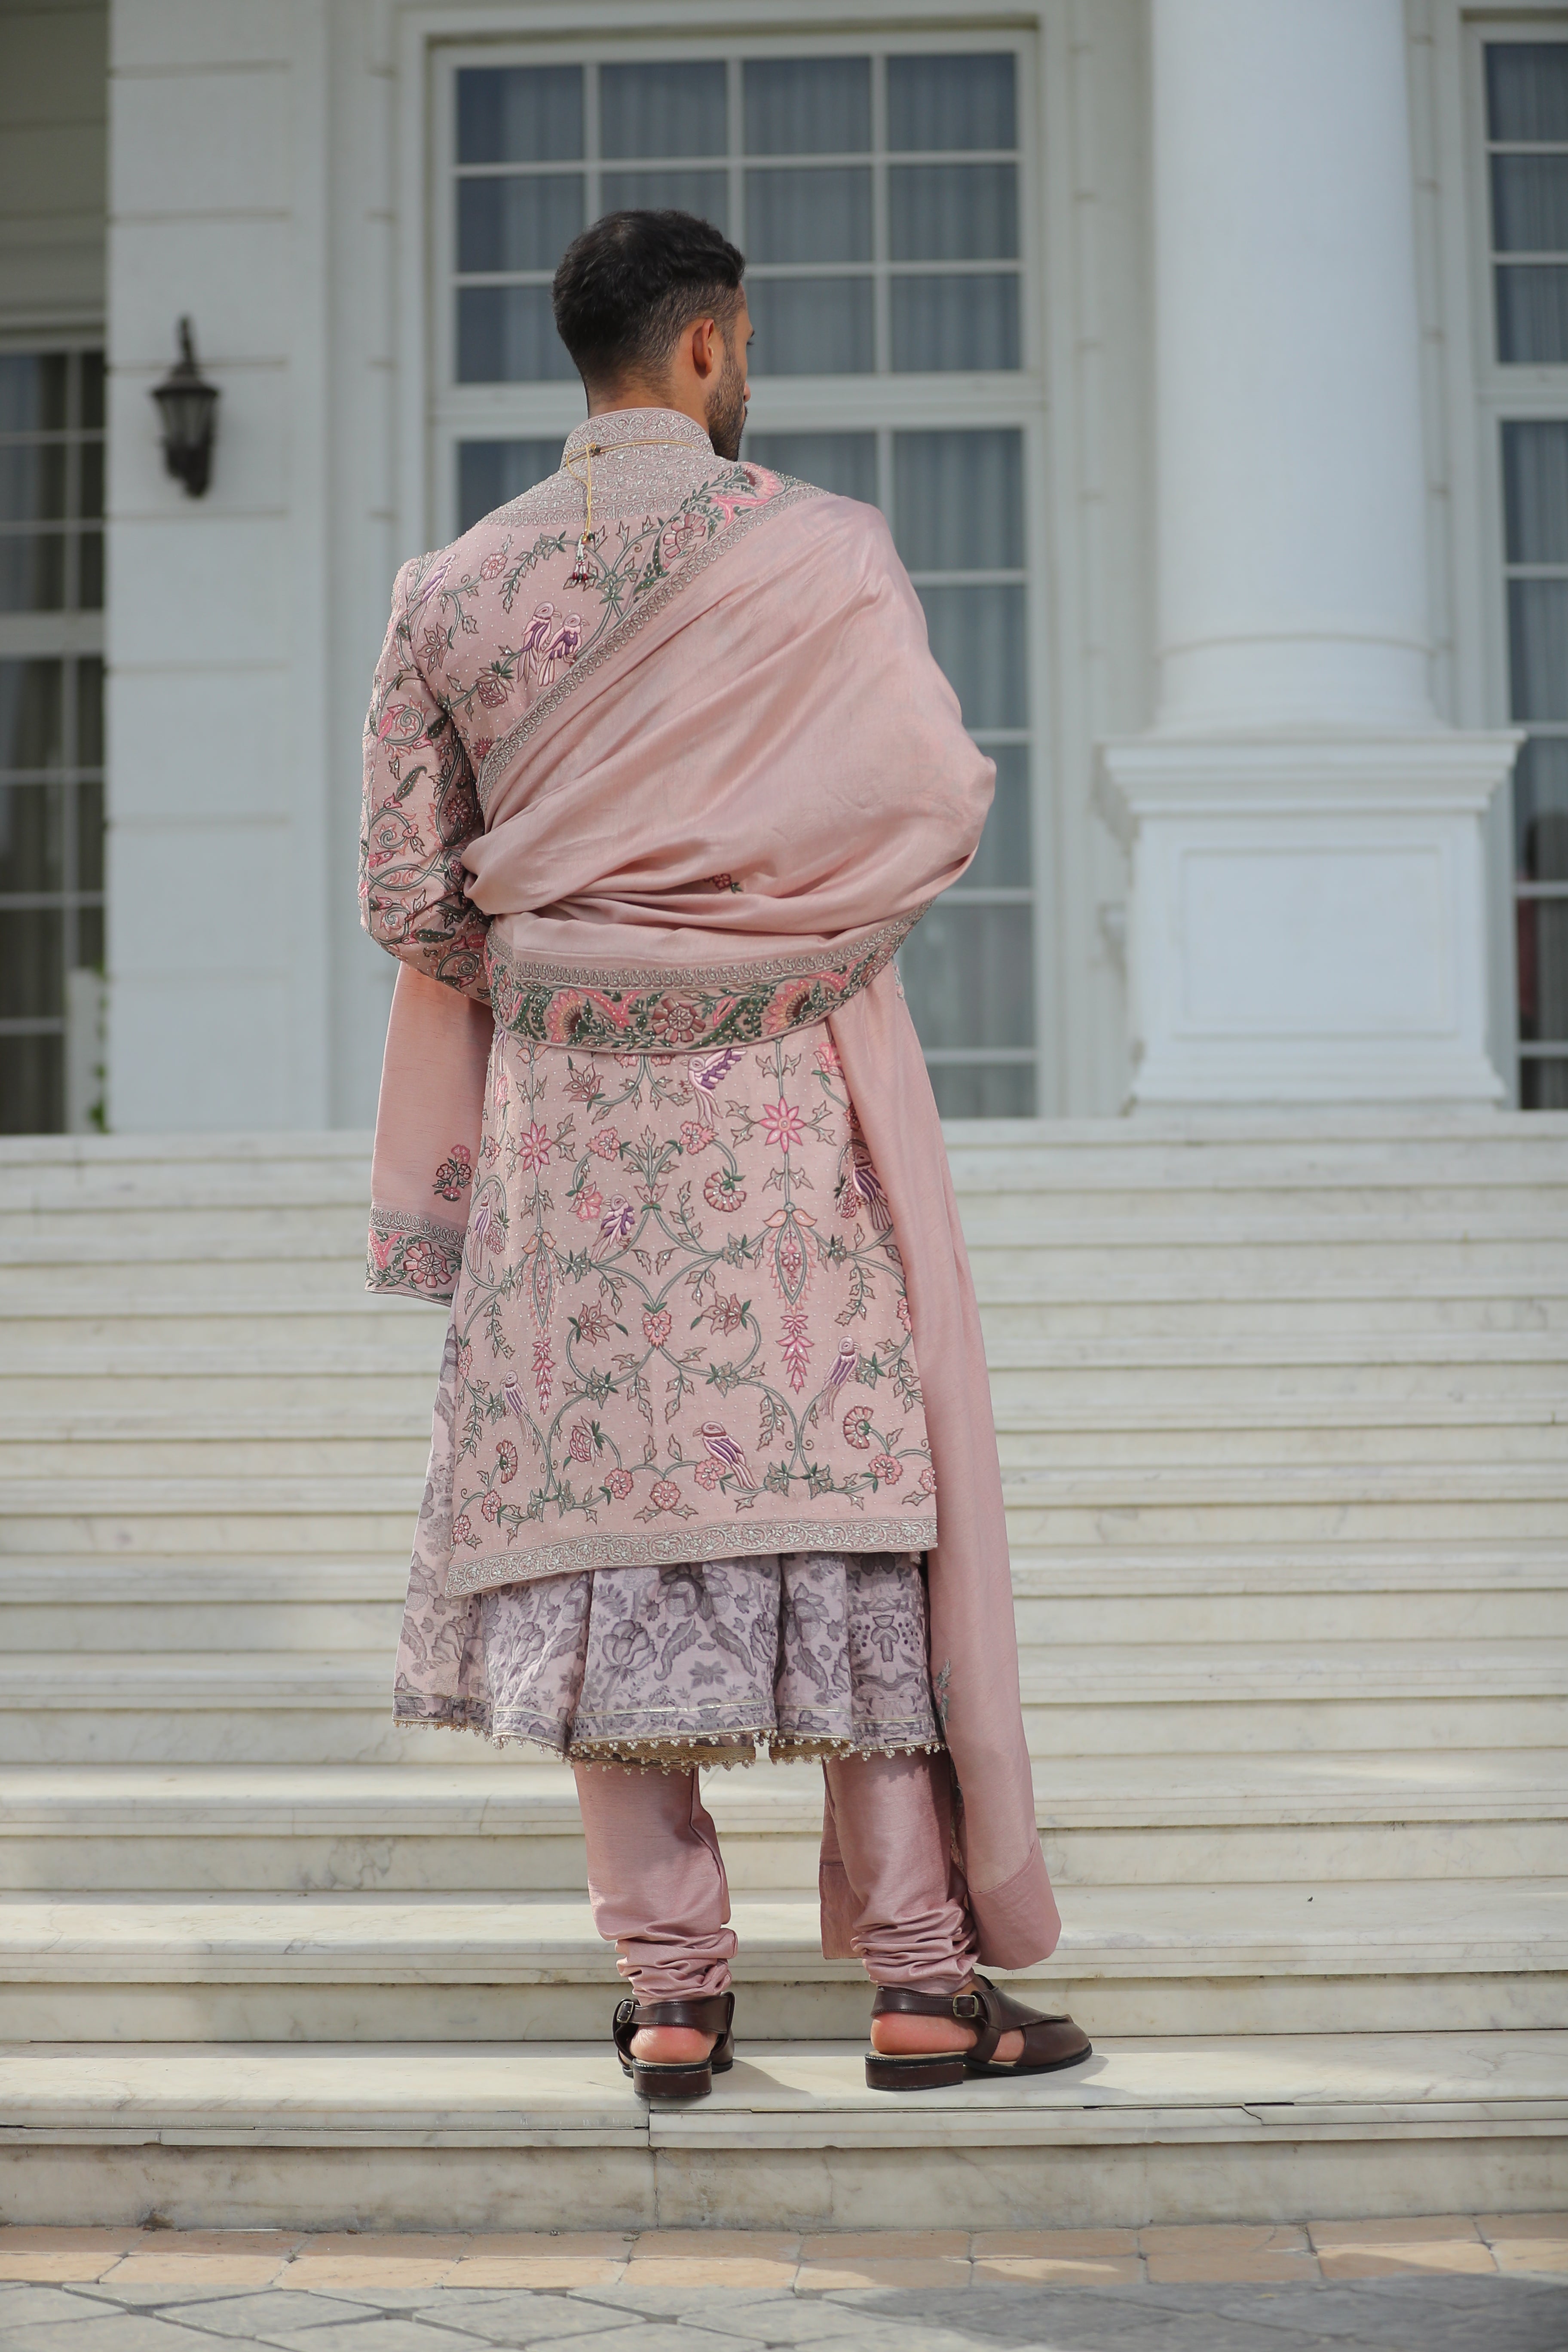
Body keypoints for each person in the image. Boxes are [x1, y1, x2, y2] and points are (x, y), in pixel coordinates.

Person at [360, 209, 1090, 2100]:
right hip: (780, 1109)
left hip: (568, 1149)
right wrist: (783, 948)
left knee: (605, 1526)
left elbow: (406, 894)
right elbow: (934, 800)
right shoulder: (824, 555)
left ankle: (675, 1991)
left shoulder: (450, 590)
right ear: (709, 349)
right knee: (842, 1503)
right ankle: (926, 1984)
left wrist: (582, 981)